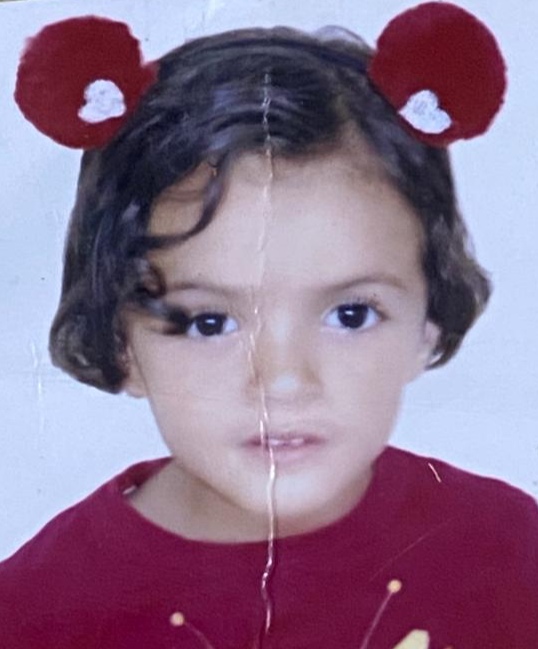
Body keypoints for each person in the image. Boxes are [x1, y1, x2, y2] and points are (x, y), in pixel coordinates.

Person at [1, 6, 537, 648]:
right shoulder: (34, 611)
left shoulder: (513, 551)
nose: (282, 381)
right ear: (121, 342)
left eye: (350, 315)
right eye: (208, 323)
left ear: (429, 322)